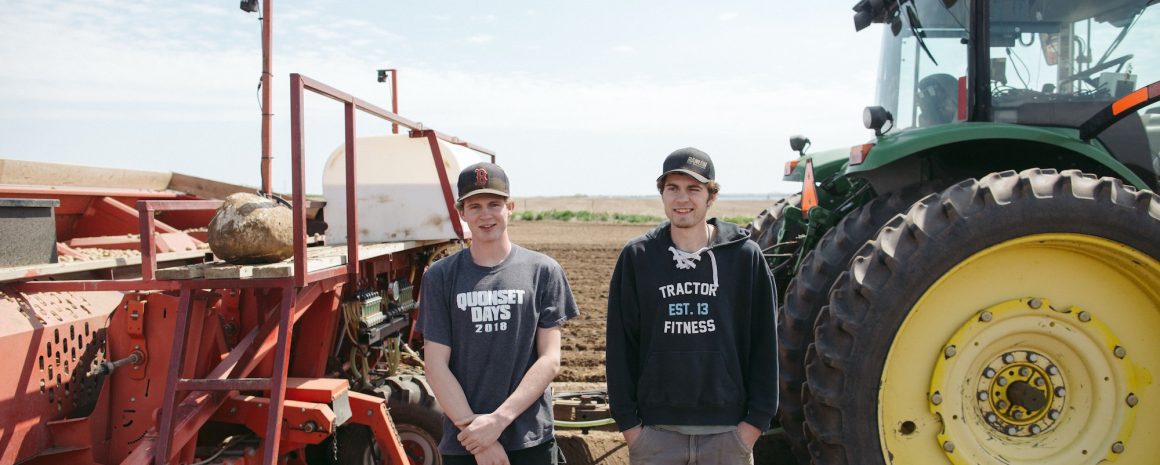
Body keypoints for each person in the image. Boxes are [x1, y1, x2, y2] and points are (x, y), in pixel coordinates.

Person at [605, 147, 778, 464]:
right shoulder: (638, 258)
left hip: (728, 438)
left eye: (693, 189)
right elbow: (620, 347)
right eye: (673, 188)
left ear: (711, 196)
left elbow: (765, 343)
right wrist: (631, 428)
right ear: (663, 194)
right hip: (656, 438)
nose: (682, 199)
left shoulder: (744, 258)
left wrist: (753, 426)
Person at [419, 162, 579, 465]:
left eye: (495, 204)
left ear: (511, 207)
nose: (486, 214)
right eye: (474, 206)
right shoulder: (440, 276)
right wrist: (476, 434)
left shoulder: (542, 271)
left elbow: (550, 359)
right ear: (461, 213)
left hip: (529, 439)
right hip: (464, 442)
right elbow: (435, 365)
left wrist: (497, 422)